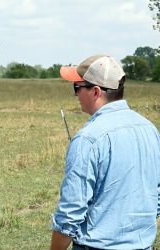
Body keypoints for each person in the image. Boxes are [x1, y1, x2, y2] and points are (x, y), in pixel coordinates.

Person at [51, 55, 160, 249]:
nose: (76, 94)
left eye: (77, 87)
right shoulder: (150, 130)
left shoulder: (87, 139)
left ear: (95, 92)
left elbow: (70, 214)